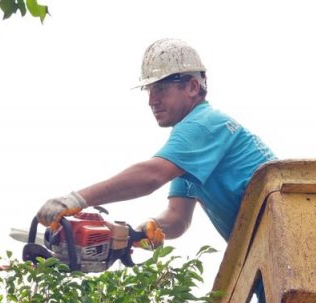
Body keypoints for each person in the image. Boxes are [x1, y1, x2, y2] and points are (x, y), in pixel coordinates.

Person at [37, 38, 277, 250]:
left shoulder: (203, 124)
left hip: (282, 230)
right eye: (149, 90)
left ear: (192, 87)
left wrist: (77, 199)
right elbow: (178, 218)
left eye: (160, 88)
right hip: (271, 244)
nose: (152, 100)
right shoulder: (191, 154)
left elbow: (152, 175)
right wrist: (146, 229)